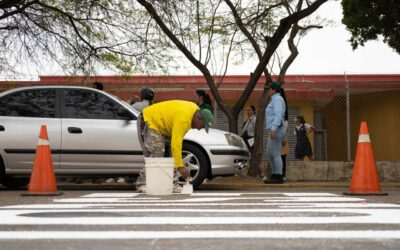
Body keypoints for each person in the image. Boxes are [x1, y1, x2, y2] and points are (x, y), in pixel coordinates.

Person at [136, 100, 214, 193]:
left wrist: (179, 164)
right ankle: (142, 183)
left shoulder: (194, 112)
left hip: (163, 125)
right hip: (149, 119)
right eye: (202, 126)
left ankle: (172, 183)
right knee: (157, 151)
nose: (199, 128)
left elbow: (176, 146)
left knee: (171, 155)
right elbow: (176, 144)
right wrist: (181, 167)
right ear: (199, 118)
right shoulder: (184, 119)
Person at [264, 82, 286, 184]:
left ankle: (279, 176)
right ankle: (275, 174)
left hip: (276, 129)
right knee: (269, 153)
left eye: (269, 89)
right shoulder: (274, 100)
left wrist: (273, 130)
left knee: (275, 153)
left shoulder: (277, 99)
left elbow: (278, 115)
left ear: (274, 90)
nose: (268, 91)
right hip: (274, 128)